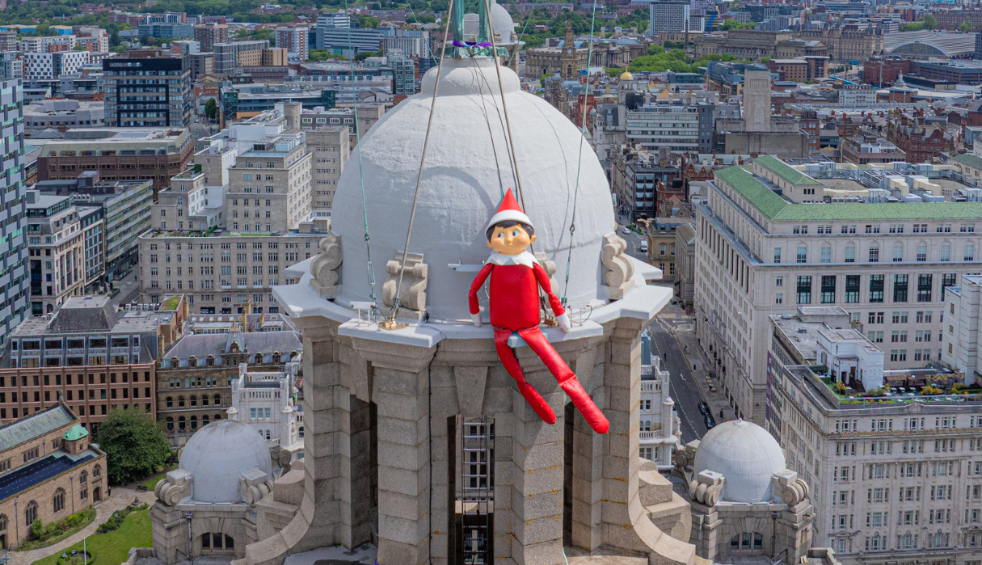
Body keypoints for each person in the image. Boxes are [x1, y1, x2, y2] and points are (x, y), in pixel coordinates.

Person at [469, 189, 609, 434]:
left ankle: (592, 413)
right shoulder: (495, 264)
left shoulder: (528, 263)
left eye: (515, 233)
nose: (509, 239)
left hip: (526, 326)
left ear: (530, 238)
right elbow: (473, 291)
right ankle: (544, 408)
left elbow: (548, 292)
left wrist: (562, 316)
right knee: (519, 375)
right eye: (501, 235)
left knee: (560, 369)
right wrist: (477, 316)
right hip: (504, 328)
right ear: (491, 241)